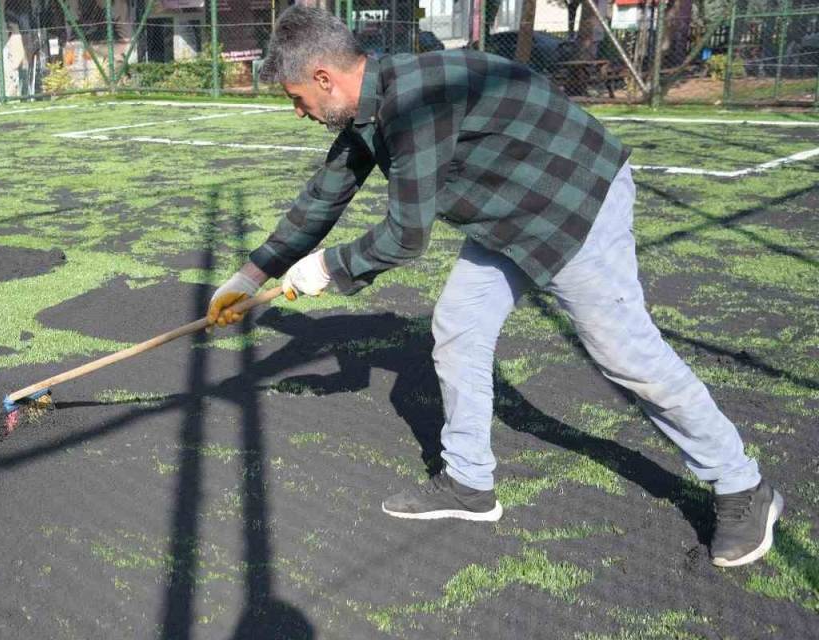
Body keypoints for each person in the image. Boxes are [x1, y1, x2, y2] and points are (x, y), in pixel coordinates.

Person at [206, 6, 783, 568]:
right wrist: (250, 275)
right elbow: (325, 194)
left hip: (574, 201)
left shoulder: (411, 104)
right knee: (459, 326)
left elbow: (406, 238)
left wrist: (325, 269)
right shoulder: (373, 105)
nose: (299, 113)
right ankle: (468, 485)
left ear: (324, 78)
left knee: (624, 353)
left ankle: (742, 486)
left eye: (297, 99)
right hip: (508, 211)